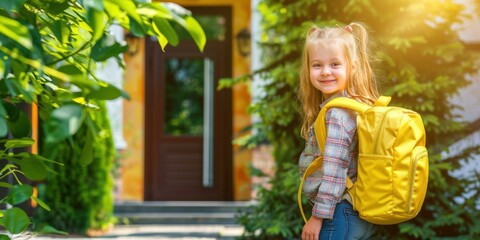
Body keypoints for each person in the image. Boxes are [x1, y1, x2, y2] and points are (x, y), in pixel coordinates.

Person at [298, 22, 379, 240]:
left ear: (352, 66)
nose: (325, 72)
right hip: (356, 214)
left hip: (339, 213)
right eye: (317, 65)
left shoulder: (337, 113)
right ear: (308, 68)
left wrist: (317, 217)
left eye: (335, 64)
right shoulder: (355, 105)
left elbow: (335, 169)